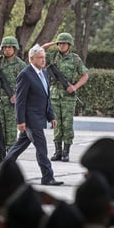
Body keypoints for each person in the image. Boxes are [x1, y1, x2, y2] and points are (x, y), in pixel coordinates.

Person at [3, 44, 63, 186]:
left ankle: (0, 171)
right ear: (31, 59)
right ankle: (47, 177)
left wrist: (51, 116)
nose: (43, 60)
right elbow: (20, 100)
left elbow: (46, 97)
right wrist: (20, 121)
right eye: (40, 58)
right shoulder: (25, 74)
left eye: (44, 57)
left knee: (18, 147)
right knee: (42, 147)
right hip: (30, 120)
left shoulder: (44, 73)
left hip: (39, 117)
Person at [42, 32, 88, 162]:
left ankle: (66, 152)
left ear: (69, 45)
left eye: (64, 43)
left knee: (67, 125)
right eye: (60, 43)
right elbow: (38, 51)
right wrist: (52, 43)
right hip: (55, 95)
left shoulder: (75, 59)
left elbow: (85, 75)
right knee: (56, 124)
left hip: (68, 96)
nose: (61, 46)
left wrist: (74, 87)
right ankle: (57, 151)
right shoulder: (52, 57)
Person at [0, 36, 26, 151]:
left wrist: (17, 96)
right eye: (5, 47)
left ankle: (10, 155)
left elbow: (25, 84)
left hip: (12, 102)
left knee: (11, 130)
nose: (7, 50)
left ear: (15, 49)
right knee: (0, 130)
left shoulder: (21, 65)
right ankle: (1, 153)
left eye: (9, 47)